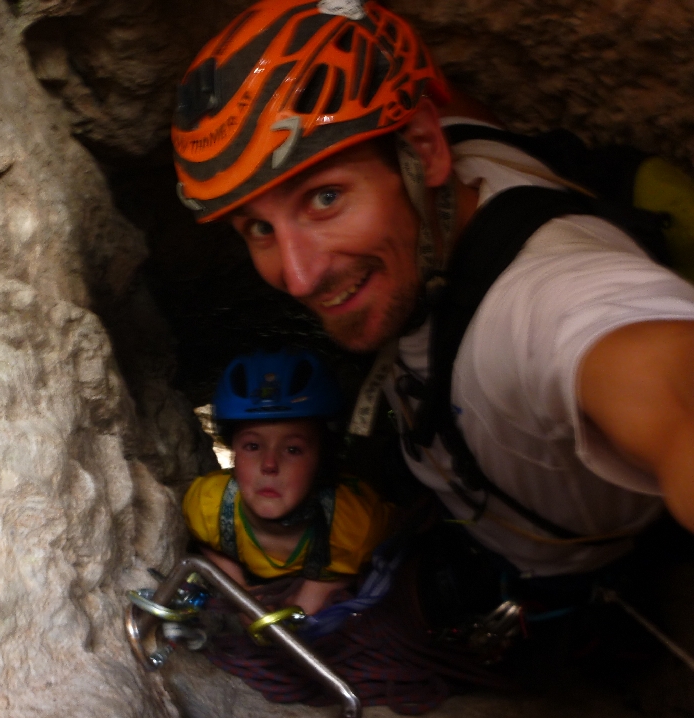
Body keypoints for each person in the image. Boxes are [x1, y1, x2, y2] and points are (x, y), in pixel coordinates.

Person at [172, 0, 694, 584]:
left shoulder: (550, 306)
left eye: (324, 198)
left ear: (425, 151)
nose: (299, 278)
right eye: (259, 228)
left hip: (579, 577)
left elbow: (662, 377)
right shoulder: (453, 133)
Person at [182, 349, 391, 615]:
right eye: (253, 445)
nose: (270, 465)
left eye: (293, 450)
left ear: (322, 458)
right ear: (233, 450)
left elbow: (371, 553)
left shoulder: (355, 525)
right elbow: (207, 541)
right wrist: (241, 592)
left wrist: (309, 599)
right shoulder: (207, 505)